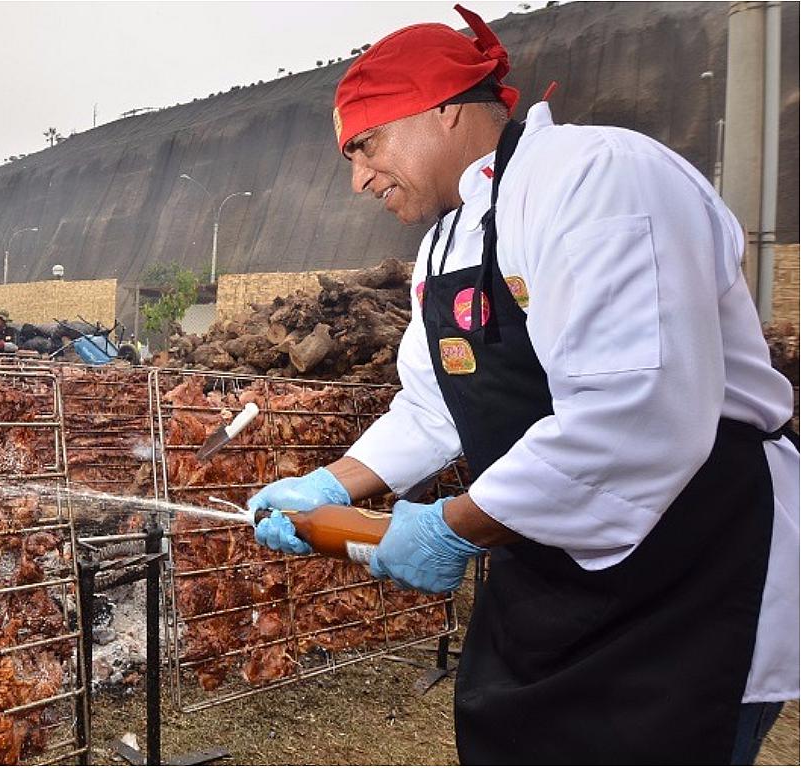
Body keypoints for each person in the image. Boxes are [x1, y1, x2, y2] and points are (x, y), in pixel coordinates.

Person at [247, 6, 798, 764]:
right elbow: (433, 405)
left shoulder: (594, 177)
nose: (357, 179)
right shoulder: (448, 240)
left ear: (442, 109)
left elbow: (631, 417)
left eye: (366, 144)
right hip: (546, 560)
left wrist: (450, 526)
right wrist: (331, 486)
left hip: (692, 566)